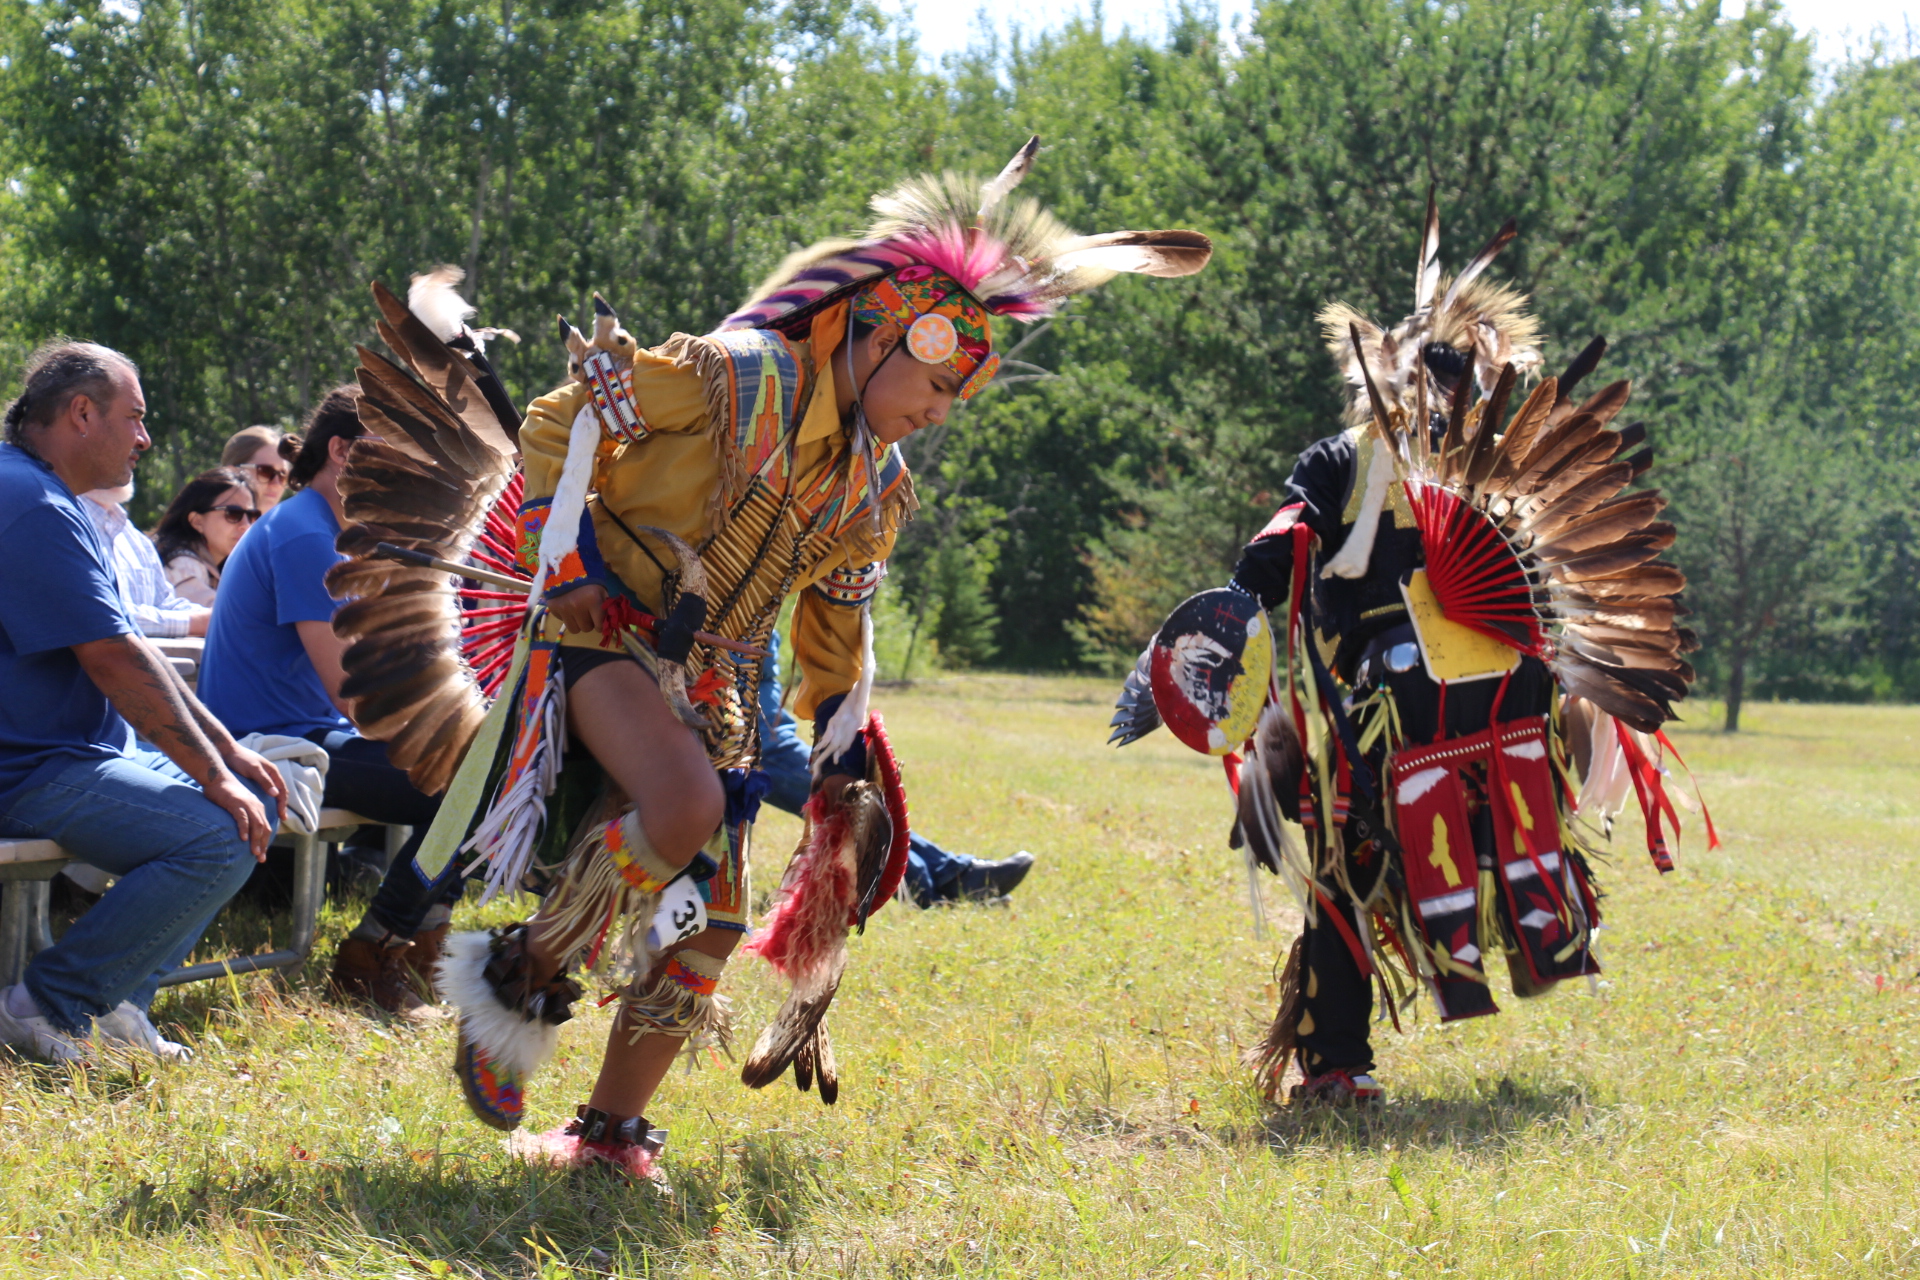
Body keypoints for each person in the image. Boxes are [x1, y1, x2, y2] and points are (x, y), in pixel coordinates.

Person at [321, 143, 1209, 1176]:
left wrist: (840, 754)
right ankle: (521, 972)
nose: (939, 409)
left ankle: (606, 1135)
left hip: (722, 683)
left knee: (716, 920)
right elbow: (560, 419)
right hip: (598, 633)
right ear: (879, 333)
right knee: (685, 804)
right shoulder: (732, 380)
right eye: (933, 382)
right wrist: (561, 560)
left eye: (956, 397)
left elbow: (832, 634)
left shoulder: (871, 490)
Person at [1112, 201, 1700, 1106]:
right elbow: (1273, 558)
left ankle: (1350, 1055)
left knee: (1402, 874)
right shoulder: (1411, 463)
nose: (1440, 397)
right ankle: (1377, 1035)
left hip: (1453, 717)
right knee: (1380, 869)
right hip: (1441, 721)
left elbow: (1275, 558)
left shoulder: (1437, 466)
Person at [0, 340, 285, 1062]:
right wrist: (217, 776)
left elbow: (130, 645)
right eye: (136, 418)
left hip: (68, 754)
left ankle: (117, 1000)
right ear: (82, 413)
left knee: (256, 796)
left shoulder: (46, 496)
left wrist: (227, 754)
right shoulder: (32, 502)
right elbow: (114, 657)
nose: (145, 438)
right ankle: (49, 1003)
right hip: (27, 769)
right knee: (218, 831)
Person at [196, 388, 450, 1021]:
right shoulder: (305, 535)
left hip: (313, 733)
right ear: (341, 451)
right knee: (464, 788)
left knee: (477, 782)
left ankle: (412, 952)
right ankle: (375, 960)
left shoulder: (332, 530)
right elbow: (356, 695)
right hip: (270, 745)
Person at [756, 630, 1033, 905]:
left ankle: (943, 876)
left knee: (800, 763)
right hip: (729, 658)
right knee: (780, 757)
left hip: (756, 653)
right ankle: (928, 882)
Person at [79, 481, 212, 637]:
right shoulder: (61, 527)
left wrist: (221, 619)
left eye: (249, 514)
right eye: (233, 514)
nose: (135, 455)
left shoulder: (134, 537)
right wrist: (197, 622)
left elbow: (164, 604)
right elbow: (97, 614)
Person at [151, 466, 260, 606]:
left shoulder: (225, 567)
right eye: (233, 513)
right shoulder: (182, 565)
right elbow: (221, 616)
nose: (246, 524)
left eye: (252, 515)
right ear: (197, 521)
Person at [221, 424, 296, 511]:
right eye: (266, 471)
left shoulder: (290, 523)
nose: (276, 484)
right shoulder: (205, 522)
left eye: (283, 474)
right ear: (233, 471)